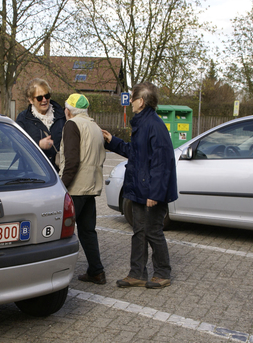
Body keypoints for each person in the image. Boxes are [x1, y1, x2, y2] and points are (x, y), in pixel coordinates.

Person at [102, 82, 177, 289]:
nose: (130, 101)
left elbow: (162, 163)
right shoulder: (142, 124)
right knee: (139, 232)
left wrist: (155, 193)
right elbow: (135, 153)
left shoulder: (154, 125)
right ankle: (137, 274)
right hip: (138, 189)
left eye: (132, 98)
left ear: (141, 102)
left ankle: (162, 273)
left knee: (153, 231)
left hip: (150, 192)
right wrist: (113, 141)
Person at [58, 94, 107, 284]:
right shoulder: (94, 126)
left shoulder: (72, 125)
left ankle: (57, 274)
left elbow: (72, 161)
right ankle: (97, 270)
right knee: (88, 231)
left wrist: (61, 187)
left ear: (68, 110)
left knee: (61, 233)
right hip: (91, 187)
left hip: (76, 188)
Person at [16, 78, 66, 169]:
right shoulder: (23, 119)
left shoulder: (61, 116)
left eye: (47, 96)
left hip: (57, 172)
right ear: (31, 100)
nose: (44, 100)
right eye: (39, 98)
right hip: (32, 173)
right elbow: (16, 144)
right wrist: (38, 144)